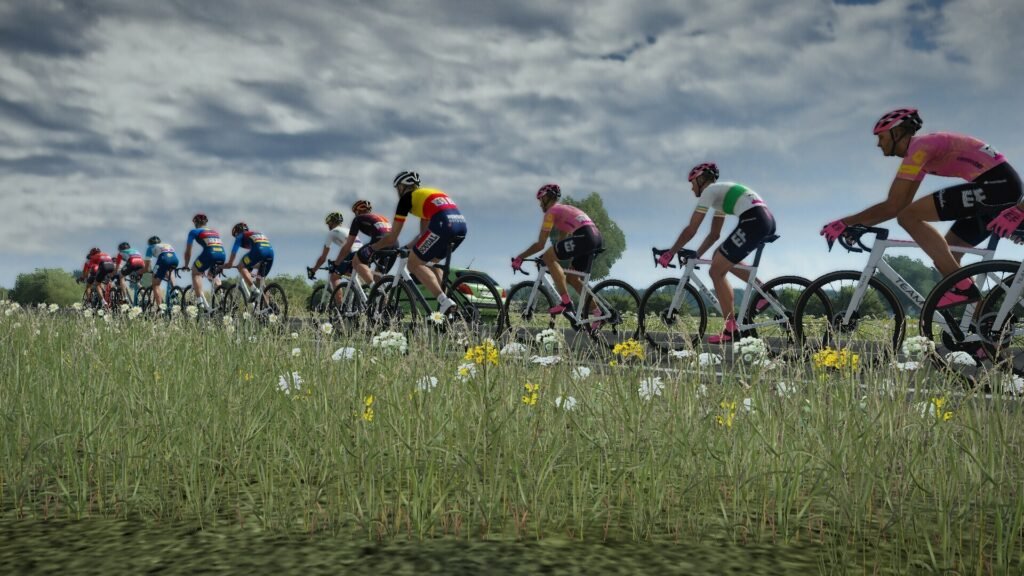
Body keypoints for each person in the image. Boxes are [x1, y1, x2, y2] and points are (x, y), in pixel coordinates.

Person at [821, 108, 1022, 308]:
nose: (878, 144)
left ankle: (963, 288)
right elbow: (897, 205)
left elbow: (895, 206)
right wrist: (854, 223)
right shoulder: (921, 154)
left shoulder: (920, 149)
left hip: (997, 187)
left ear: (897, 133)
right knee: (947, 256)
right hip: (997, 188)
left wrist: (845, 222)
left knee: (909, 217)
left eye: (881, 137)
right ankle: (982, 321)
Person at [657, 163, 776, 344]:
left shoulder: (709, 192)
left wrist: (670, 252)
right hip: (764, 219)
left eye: (692, 183)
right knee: (719, 259)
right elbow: (714, 234)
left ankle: (731, 328)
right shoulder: (720, 196)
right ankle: (765, 292)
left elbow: (691, 230)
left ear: (700, 179)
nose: (691, 188)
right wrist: (697, 254)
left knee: (715, 271)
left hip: (754, 220)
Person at [369, 171, 467, 315]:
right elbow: (424, 235)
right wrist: (407, 248)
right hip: (461, 226)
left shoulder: (406, 199)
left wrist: (372, 248)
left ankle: (444, 301)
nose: (397, 192)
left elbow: (391, 238)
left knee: (413, 264)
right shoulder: (426, 195)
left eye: (398, 188)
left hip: (443, 224)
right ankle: (448, 306)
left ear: (402, 187)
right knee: (432, 262)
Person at [511, 184, 604, 322]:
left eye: (541, 200)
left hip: (585, 237)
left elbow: (540, 244)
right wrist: (550, 260)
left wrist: (520, 257)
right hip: (595, 237)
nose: (540, 204)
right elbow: (561, 244)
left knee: (549, 257)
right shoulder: (564, 211)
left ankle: (566, 302)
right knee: (572, 278)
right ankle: (598, 313)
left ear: (547, 198)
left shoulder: (551, 212)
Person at [308, 212, 361, 305]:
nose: (328, 225)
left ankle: (340, 306)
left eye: (328, 223)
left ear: (332, 222)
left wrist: (313, 270)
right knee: (350, 275)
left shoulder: (332, 232)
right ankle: (361, 296)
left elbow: (323, 258)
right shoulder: (348, 230)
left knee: (334, 277)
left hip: (352, 253)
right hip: (362, 253)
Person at [344, 199, 396, 286]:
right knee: (377, 278)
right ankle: (381, 293)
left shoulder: (358, 219)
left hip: (380, 242)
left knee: (356, 261)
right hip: (394, 244)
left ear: (357, 212)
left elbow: (348, 244)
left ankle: (376, 290)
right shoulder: (381, 217)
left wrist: (338, 262)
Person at [182, 213, 226, 311]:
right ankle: (223, 298)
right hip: (222, 255)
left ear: (195, 223)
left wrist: (186, 265)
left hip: (209, 254)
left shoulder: (194, 231)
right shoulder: (214, 232)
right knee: (211, 276)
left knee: (195, 272)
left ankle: (200, 303)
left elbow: (188, 252)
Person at [225, 222, 275, 303]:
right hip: (270, 253)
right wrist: (251, 266)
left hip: (259, 251)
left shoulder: (240, 236)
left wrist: (229, 264)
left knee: (241, 266)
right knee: (260, 281)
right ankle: (270, 306)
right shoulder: (254, 234)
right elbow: (255, 259)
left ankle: (253, 290)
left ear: (237, 233)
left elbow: (234, 251)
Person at [144, 236, 179, 311]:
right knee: (169, 271)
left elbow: (147, 265)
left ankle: (161, 309)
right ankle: (175, 289)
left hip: (163, 259)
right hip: (175, 260)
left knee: (155, 284)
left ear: (150, 243)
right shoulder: (166, 245)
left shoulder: (150, 247)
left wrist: (148, 271)